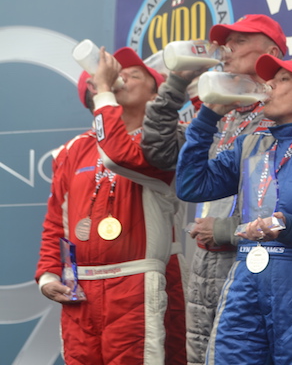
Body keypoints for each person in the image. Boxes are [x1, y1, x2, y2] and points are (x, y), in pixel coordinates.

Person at [176, 55, 292, 365]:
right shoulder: (251, 143)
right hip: (246, 278)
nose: (269, 85)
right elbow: (192, 186)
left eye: (283, 79)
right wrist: (207, 118)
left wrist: (291, 228)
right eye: (270, 79)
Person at [140, 14, 287, 365]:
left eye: (239, 41)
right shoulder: (219, 111)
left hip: (255, 259)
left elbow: (290, 202)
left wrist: (227, 229)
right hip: (205, 259)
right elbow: (158, 152)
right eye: (226, 42)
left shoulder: (285, 115)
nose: (227, 49)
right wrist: (177, 82)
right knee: (202, 356)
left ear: (271, 53)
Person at [35, 46, 182, 365]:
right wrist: (48, 274)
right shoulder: (72, 150)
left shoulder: (164, 144)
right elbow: (56, 221)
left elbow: (119, 156)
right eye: (118, 73)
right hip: (79, 289)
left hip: (135, 283)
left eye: (134, 74)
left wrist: (104, 89)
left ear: (155, 95)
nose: (121, 77)